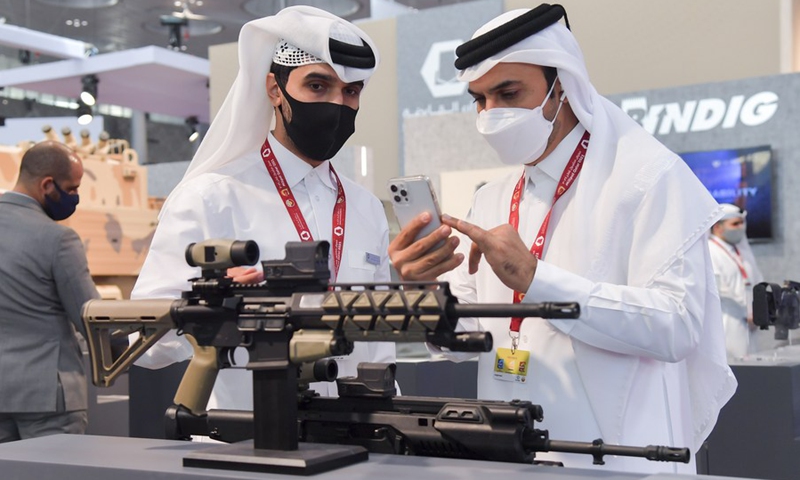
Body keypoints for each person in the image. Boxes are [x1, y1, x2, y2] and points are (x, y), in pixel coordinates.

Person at [388, 4, 736, 474]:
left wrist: (537, 279)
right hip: (510, 454)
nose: (491, 113)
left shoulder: (648, 178)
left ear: (562, 88)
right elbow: (465, 335)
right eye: (480, 99)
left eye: (508, 93)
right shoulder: (491, 199)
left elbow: (678, 326)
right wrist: (424, 294)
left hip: (625, 456)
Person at [132, 6, 395, 410]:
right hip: (244, 435)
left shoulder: (366, 208)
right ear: (275, 89)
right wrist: (210, 311)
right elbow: (143, 343)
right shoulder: (210, 198)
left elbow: (378, 348)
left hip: (353, 435)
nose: (336, 103)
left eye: (351, 92)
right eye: (318, 86)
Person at [0, 141, 99, 443]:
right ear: (46, 185)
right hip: (49, 397)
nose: (75, 197)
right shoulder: (59, 239)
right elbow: (91, 317)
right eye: (72, 189)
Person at [709, 203, 764, 360]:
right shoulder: (710, 251)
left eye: (742, 223)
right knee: (733, 364)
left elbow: (757, 281)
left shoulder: (741, 250)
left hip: (751, 323)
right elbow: (720, 289)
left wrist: (758, 311)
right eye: (735, 224)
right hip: (728, 320)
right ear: (718, 227)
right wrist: (746, 312)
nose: (741, 227)